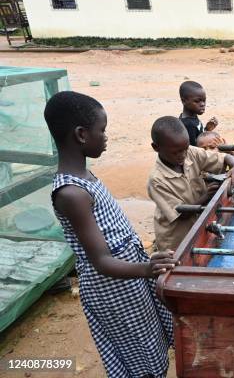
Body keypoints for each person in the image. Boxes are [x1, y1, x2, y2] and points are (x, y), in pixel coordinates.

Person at [44, 91, 177, 377]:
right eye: (101, 130)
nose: (105, 137)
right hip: (113, 288)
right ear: (81, 134)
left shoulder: (84, 178)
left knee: (150, 344)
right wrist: (147, 268)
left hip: (128, 278)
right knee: (138, 354)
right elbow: (101, 260)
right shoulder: (71, 193)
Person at [147, 116, 234, 251]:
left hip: (198, 225)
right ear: (156, 147)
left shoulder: (189, 151)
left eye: (185, 149)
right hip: (176, 240)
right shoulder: (157, 180)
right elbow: (181, 214)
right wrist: (206, 196)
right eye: (176, 152)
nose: (183, 155)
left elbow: (223, 157)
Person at [178, 81, 218, 146]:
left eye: (204, 100)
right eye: (197, 101)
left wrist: (207, 129)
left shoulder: (192, 117)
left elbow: (198, 138)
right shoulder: (188, 125)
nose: (202, 104)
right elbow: (194, 150)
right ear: (184, 101)